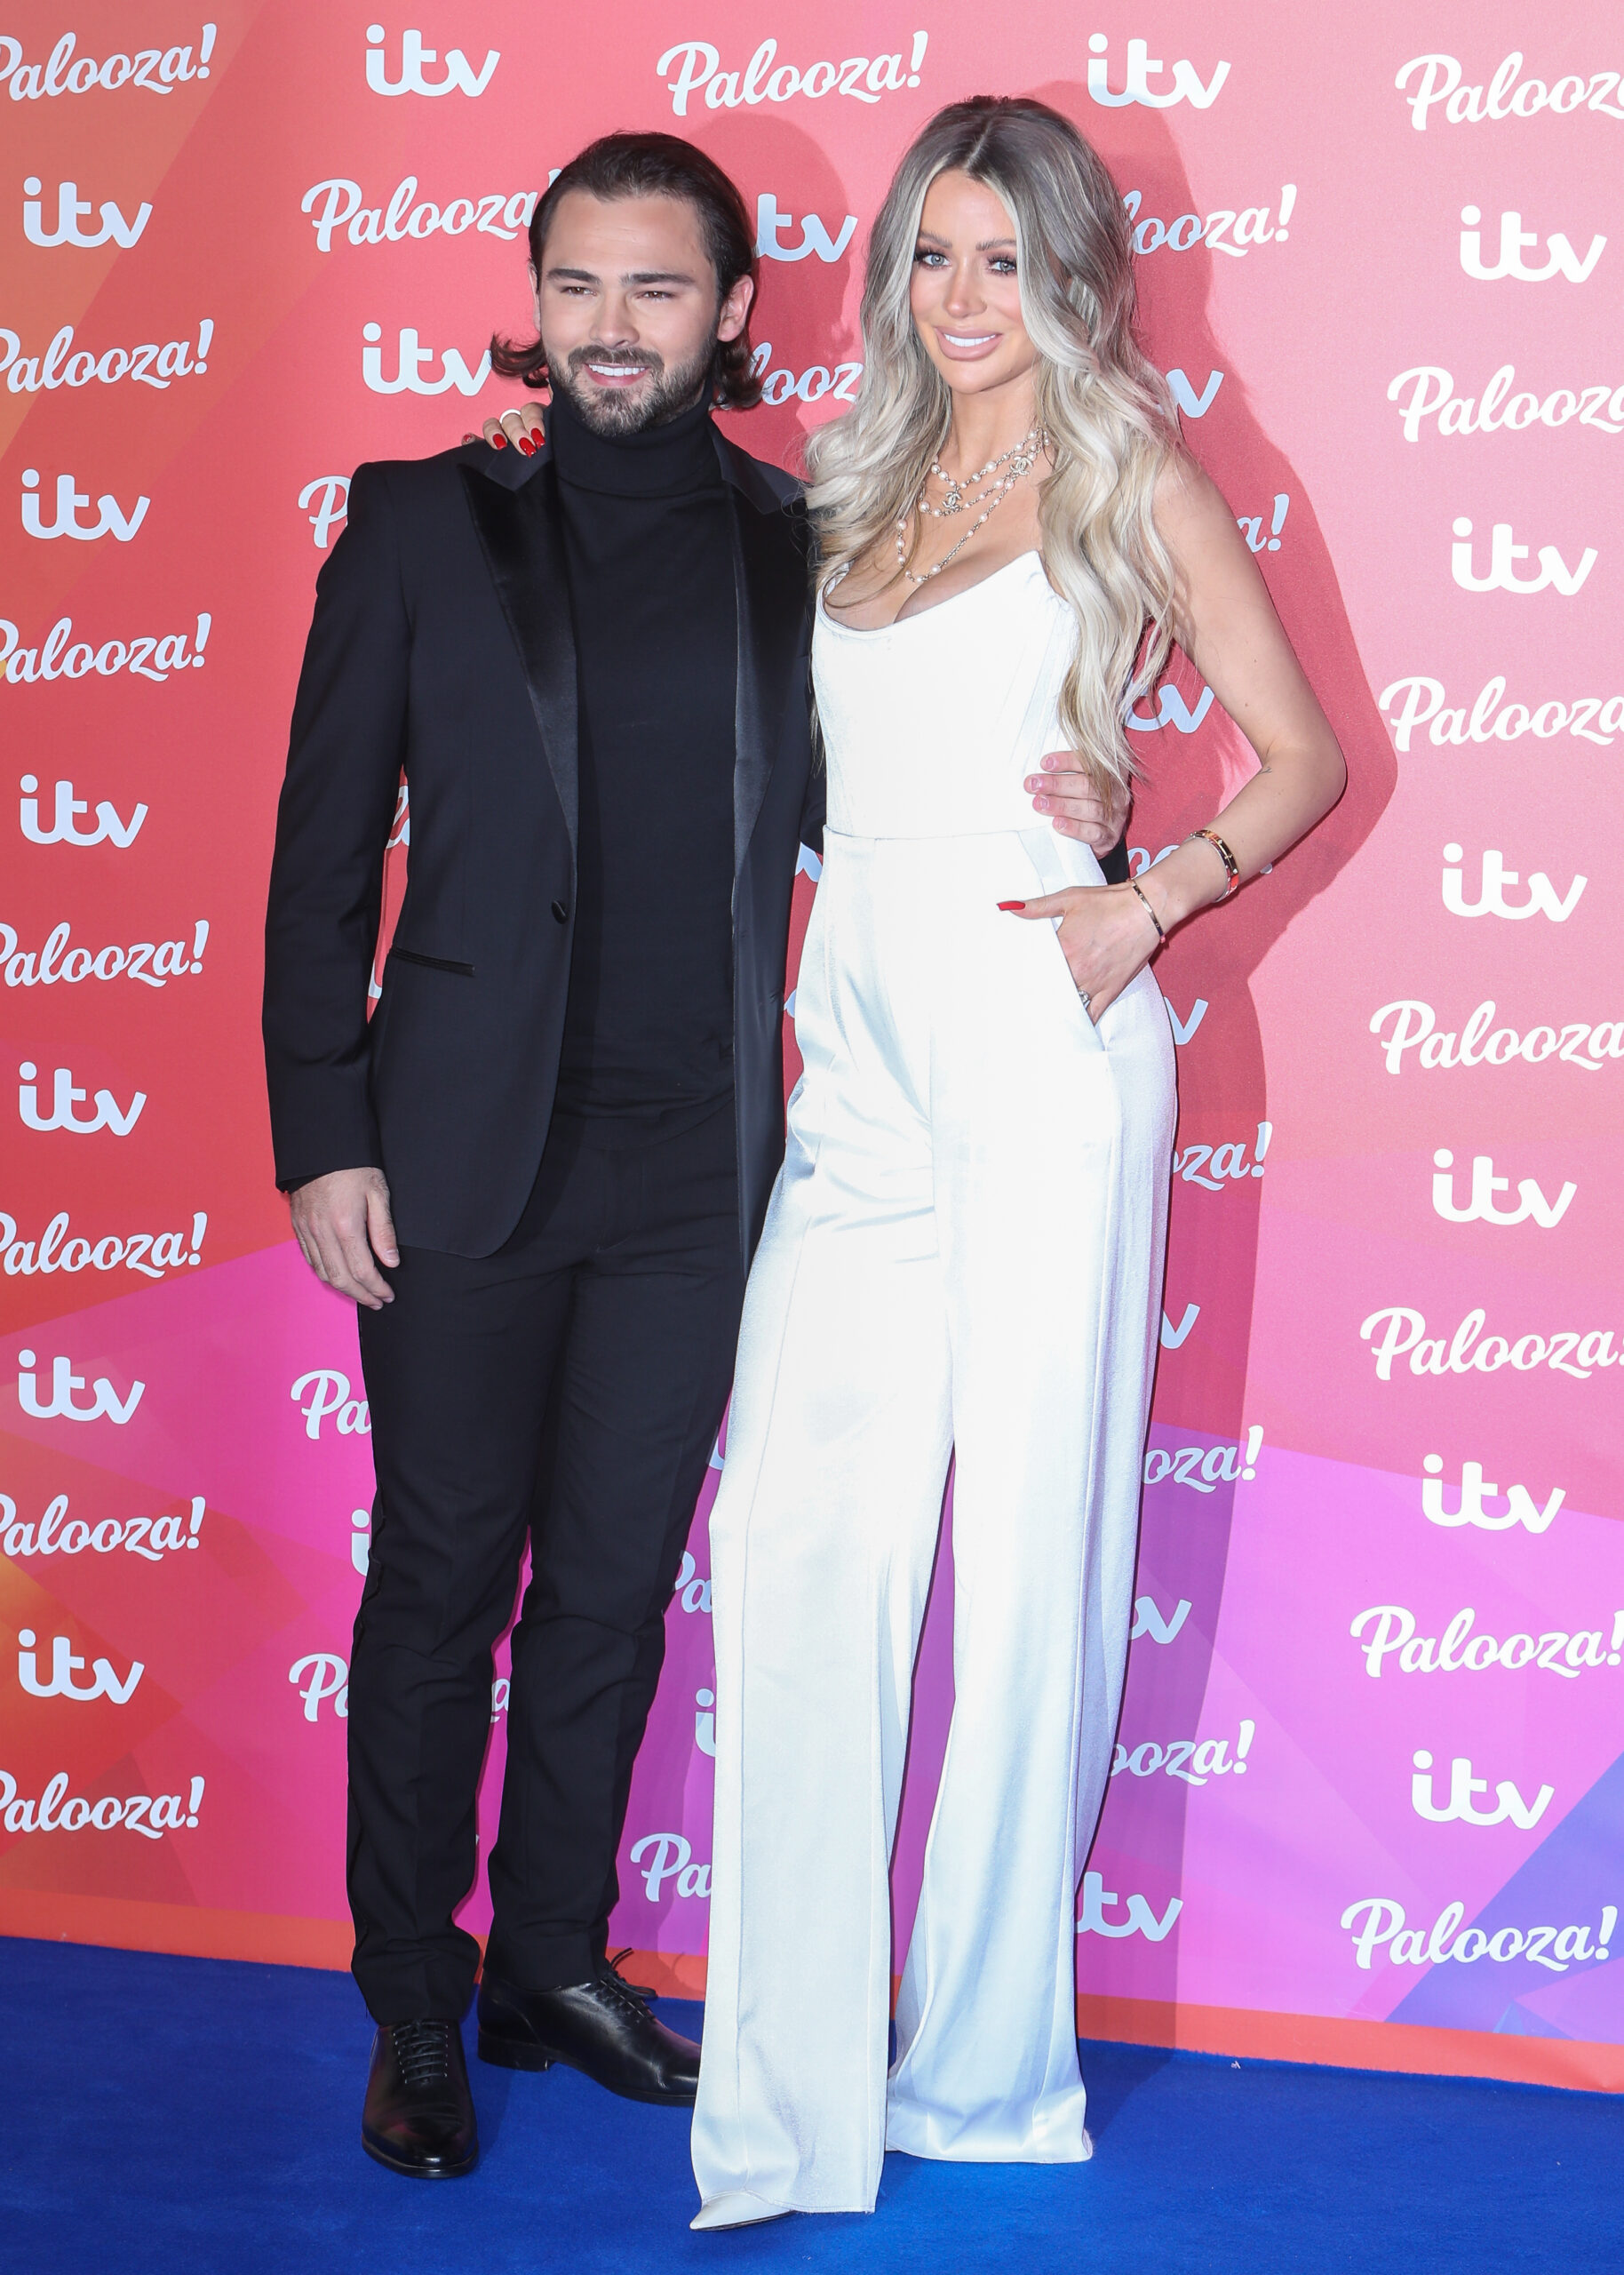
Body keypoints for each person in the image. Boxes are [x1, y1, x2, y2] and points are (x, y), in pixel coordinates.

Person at [264, 129, 1124, 2183]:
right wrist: (322, 1130)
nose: (610, 329)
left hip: (696, 1174)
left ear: (733, 314)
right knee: (443, 1583)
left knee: (616, 1596)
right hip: (457, 1157)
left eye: (658, 290)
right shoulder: (412, 522)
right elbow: (314, 860)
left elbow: (885, 785)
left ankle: (548, 1957)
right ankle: (412, 1994)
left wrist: (1087, 794)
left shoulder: (793, 540)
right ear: (534, 299)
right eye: (576, 287)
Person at [687, 99, 1346, 2230]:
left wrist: (1145, 892)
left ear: (1065, 272)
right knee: (795, 1532)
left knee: (1030, 1565)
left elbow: (1312, 750)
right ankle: (789, 2084)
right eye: (928, 259)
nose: (957, 302)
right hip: (854, 1036)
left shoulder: (1127, 466)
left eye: (997, 261)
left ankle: (973, 2074)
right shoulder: (847, 479)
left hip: (1043, 1027)